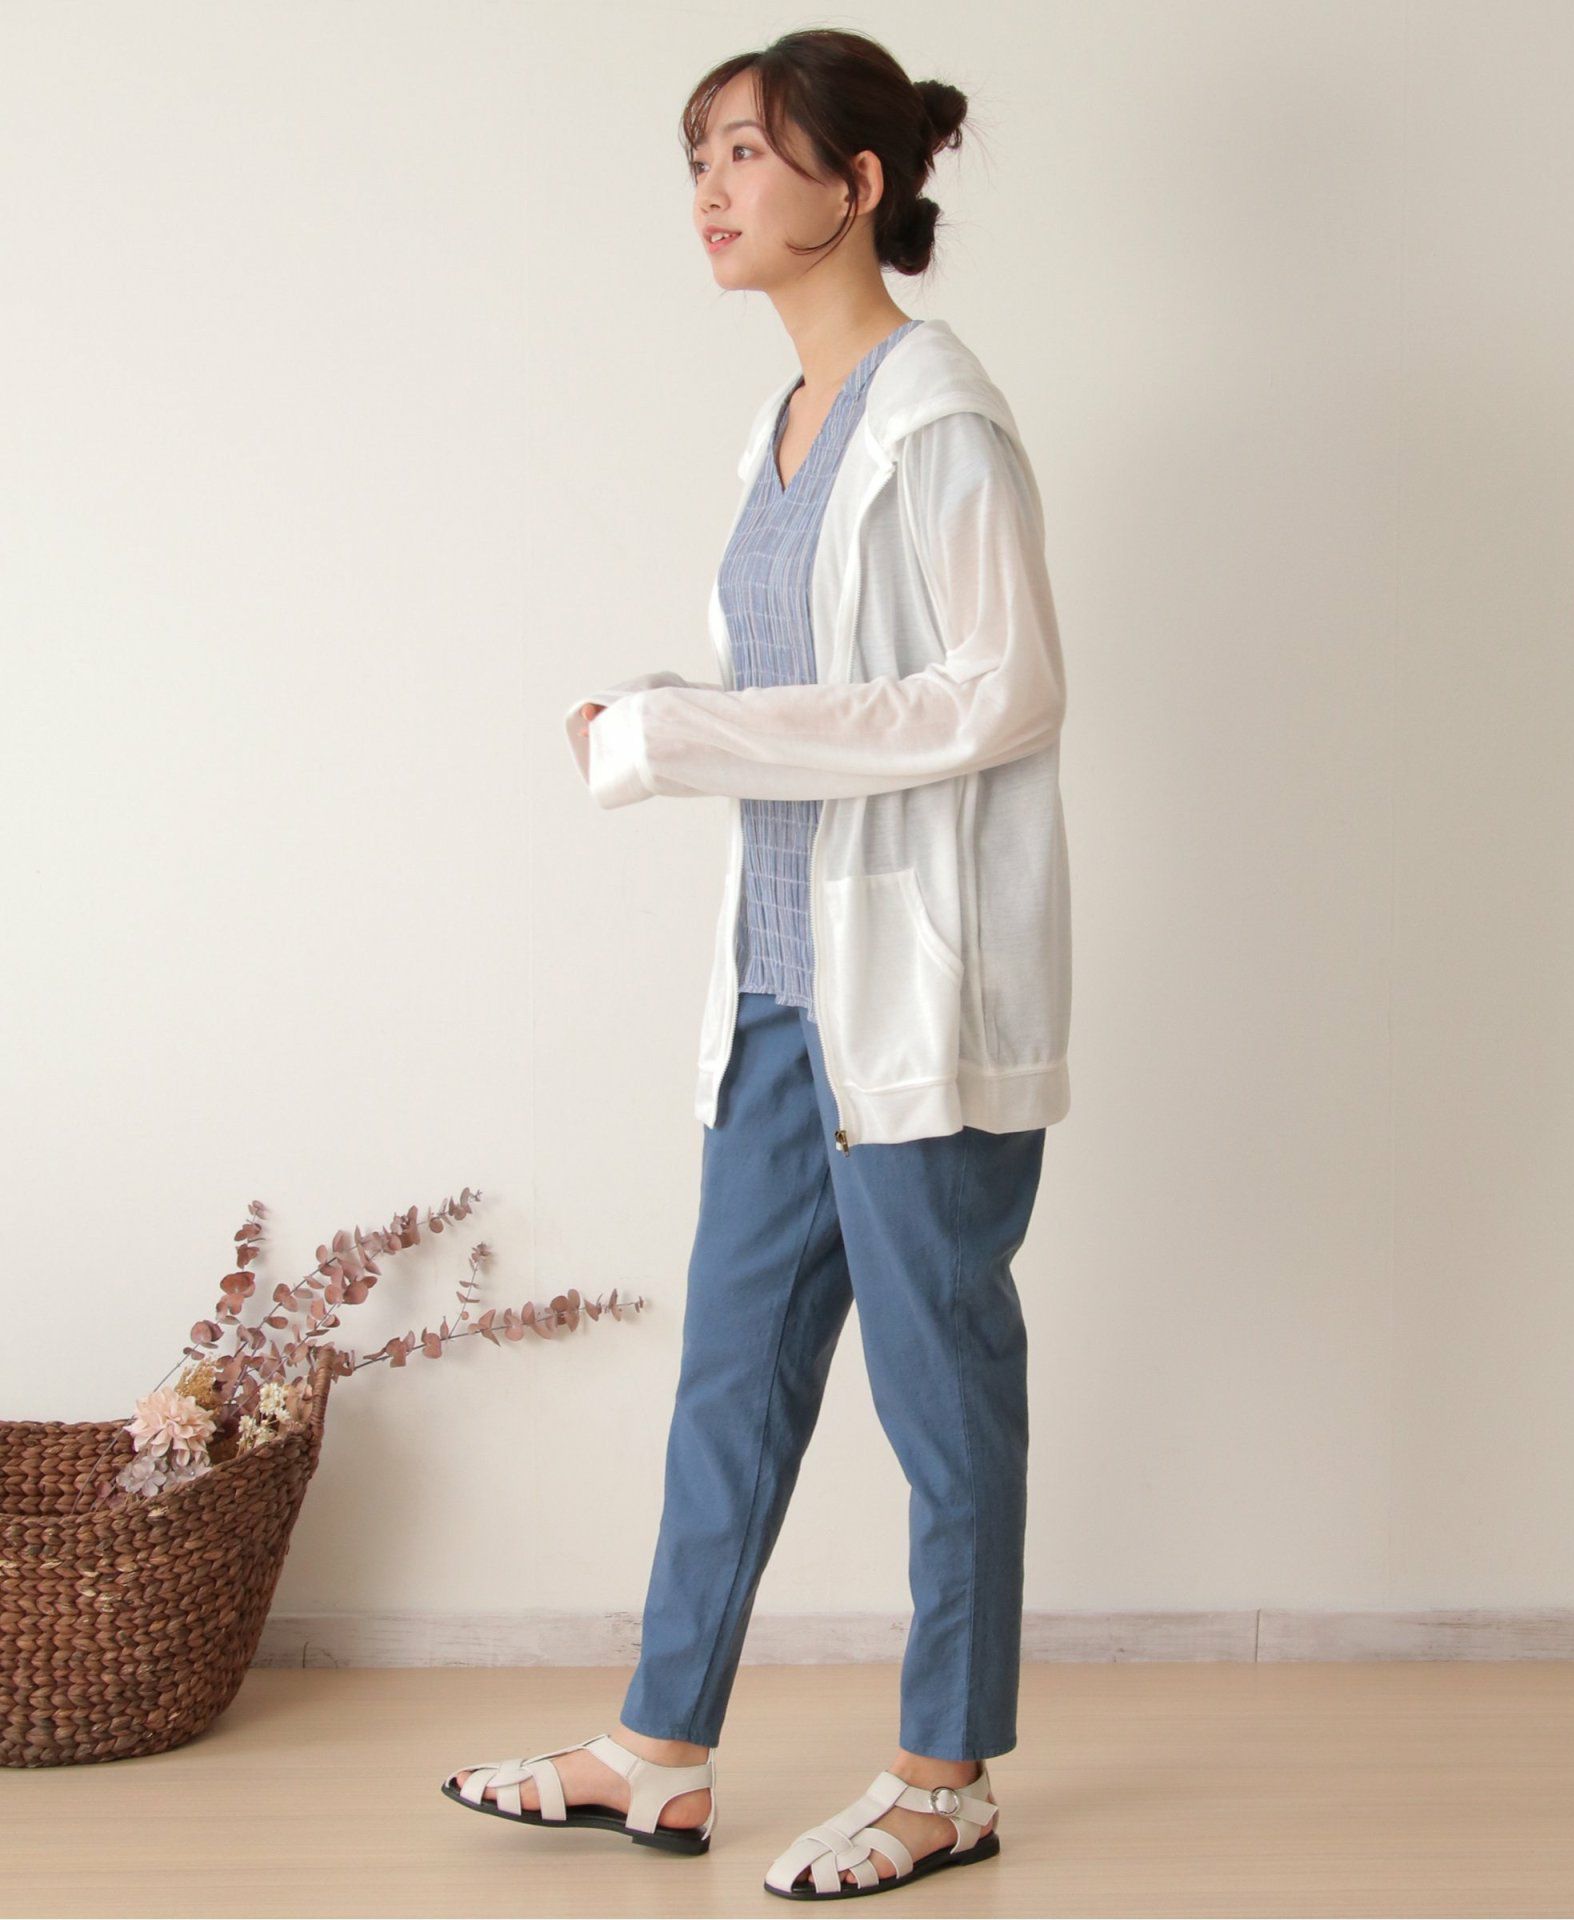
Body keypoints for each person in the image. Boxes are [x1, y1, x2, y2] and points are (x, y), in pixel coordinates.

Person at [443, 27, 1071, 1902]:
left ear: (857, 185)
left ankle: (946, 1775)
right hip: (783, 991)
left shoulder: (937, 417)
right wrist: (656, 711)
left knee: (942, 1394)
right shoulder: (785, 428)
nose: (711, 189)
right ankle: (658, 1748)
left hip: (918, 1002)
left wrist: (696, 737)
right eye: (699, 156)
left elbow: (1003, 691)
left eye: (747, 152)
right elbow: (794, 695)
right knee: (730, 1377)